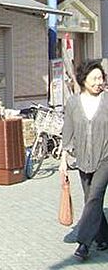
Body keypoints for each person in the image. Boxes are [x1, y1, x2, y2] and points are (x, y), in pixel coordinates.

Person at [60, 59, 108, 261]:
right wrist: (63, 160)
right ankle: (104, 236)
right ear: (83, 79)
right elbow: (68, 131)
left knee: (95, 196)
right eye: (94, 78)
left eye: (101, 78)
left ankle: (84, 244)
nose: (99, 82)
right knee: (91, 200)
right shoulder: (73, 103)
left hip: (105, 157)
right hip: (82, 159)